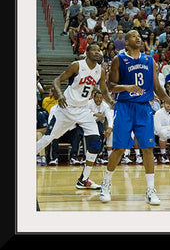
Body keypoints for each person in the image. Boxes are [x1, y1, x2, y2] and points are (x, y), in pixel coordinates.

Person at [100, 29, 170, 205]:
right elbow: (111, 86)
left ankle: (150, 190)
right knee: (119, 148)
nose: (138, 38)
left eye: (139, 36)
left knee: (148, 148)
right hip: (124, 107)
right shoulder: (118, 59)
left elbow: (157, 87)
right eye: (134, 36)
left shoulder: (149, 60)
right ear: (126, 42)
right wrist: (126, 87)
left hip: (144, 108)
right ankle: (105, 183)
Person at [36, 43, 113, 189]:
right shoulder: (77, 65)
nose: (98, 52)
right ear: (87, 52)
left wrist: (112, 102)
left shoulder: (100, 71)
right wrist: (59, 95)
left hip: (83, 110)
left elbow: (104, 91)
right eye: (95, 50)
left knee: (96, 142)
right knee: (48, 138)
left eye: (99, 50)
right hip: (66, 109)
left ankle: (84, 179)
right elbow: (56, 81)